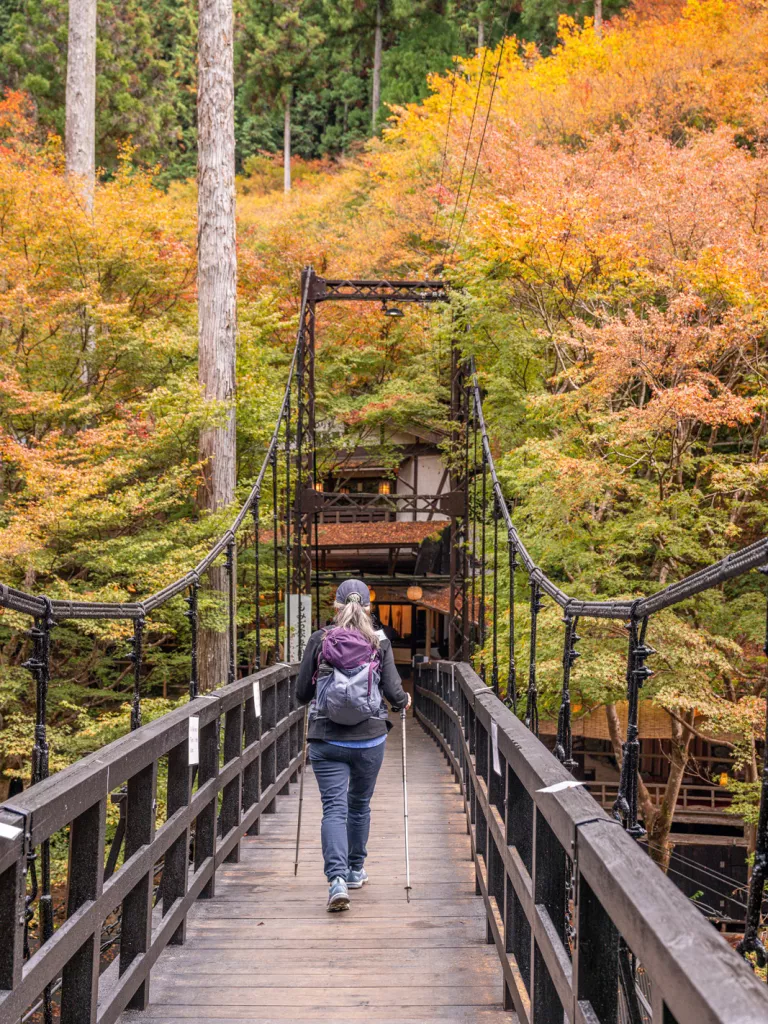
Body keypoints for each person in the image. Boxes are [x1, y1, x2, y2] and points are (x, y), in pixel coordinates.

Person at [296, 579, 410, 911]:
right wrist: (404, 701)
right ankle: (356, 869)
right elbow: (393, 692)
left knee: (334, 809)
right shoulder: (380, 642)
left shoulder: (319, 639)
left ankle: (336, 881)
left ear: (335, 606)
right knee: (359, 805)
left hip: (326, 737)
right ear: (369, 609)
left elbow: (302, 694)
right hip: (369, 737)